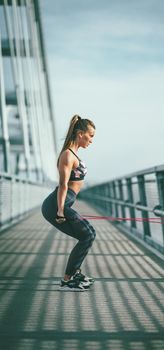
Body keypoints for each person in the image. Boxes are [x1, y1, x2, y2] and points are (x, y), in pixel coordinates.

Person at [41, 115, 96, 291]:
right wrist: (60, 211)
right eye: (91, 135)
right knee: (87, 235)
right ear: (80, 134)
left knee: (86, 235)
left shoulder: (73, 153)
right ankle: (67, 279)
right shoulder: (67, 155)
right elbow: (63, 185)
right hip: (57, 205)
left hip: (64, 203)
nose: (92, 140)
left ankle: (72, 274)